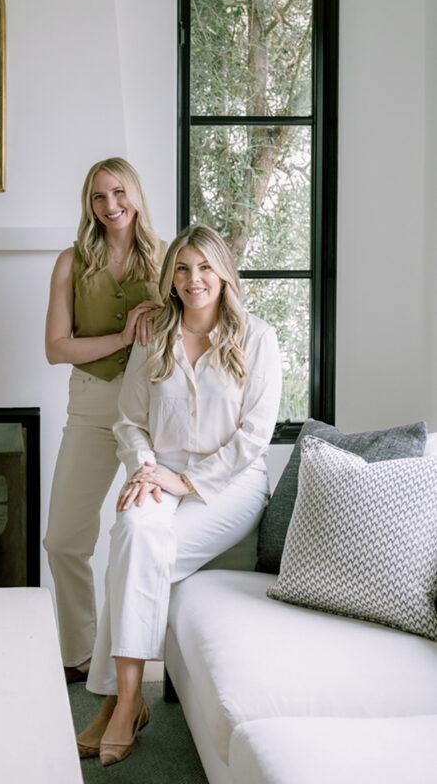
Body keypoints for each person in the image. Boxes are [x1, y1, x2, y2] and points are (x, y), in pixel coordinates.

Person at [77, 224, 282, 766]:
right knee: (133, 533)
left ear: (223, 274)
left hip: (230, 487)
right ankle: (127, 701)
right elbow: (129, 420)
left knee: (141, 553)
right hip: (157, 472)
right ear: (171, 278)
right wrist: (147, 469)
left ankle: (117, 706)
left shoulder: (257, 338)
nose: (195, 280)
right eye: (184, 269)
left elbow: (255, 436)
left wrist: (186, 482)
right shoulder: (155, 336)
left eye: (206, 268)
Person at [43, 157, 164, 684]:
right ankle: (81, 655)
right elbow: (55, 347)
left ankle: (164, 659)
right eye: (98, 197)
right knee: (64, 539)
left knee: (153, 532)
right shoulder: (71, 262)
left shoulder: (167, 259)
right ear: (88, 205)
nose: (110, 205)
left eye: (118, 192)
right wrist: (120, 337)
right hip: (91, 405)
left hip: (154, 409)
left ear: (135, 194)